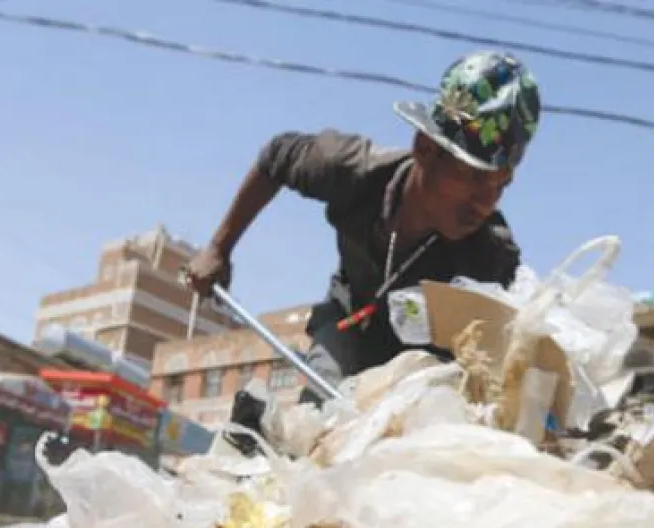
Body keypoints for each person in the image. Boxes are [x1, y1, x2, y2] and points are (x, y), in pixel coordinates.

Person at [183, 50, 542, 406]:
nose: (486, 201)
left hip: (422, 371)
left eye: (501, 185)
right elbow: (276, 158)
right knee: (324, 413)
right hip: (346, 320)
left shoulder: (492, 255)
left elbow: (511, 353)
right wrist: (219, 249)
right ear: (426, 149)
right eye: (473, 176)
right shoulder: (351, 169)